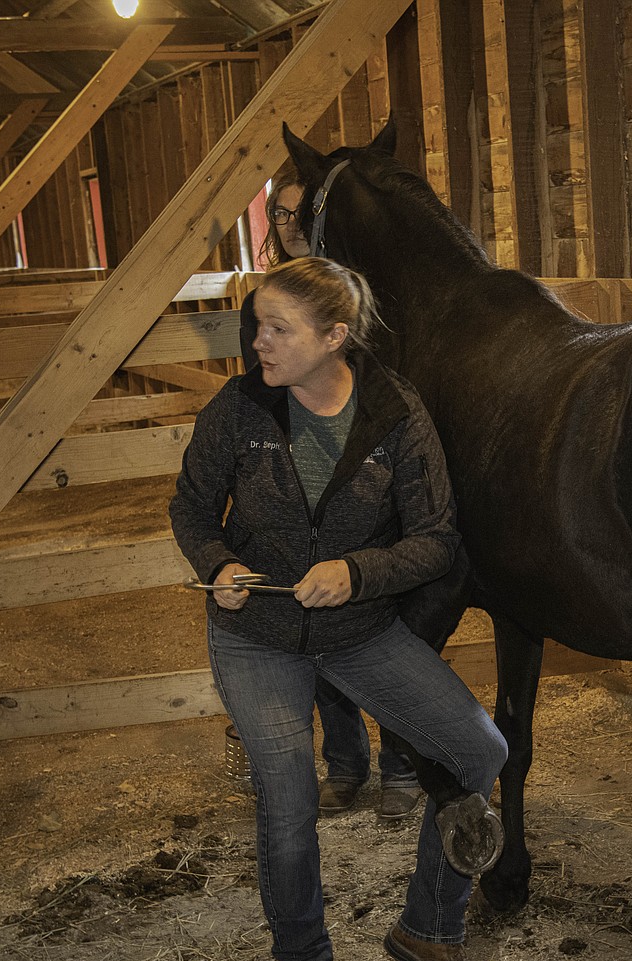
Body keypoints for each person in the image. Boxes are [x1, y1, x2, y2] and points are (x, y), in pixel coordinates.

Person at [171, 256, 508, 961]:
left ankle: (430, 927)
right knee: (289, 803)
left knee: (477, 749)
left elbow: (435, 540)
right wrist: (218, 565)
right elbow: (191, 506)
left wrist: (358, 573)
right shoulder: (242, 405)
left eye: (276, 328)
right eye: (257, 323)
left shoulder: (395, 415)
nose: (258, 341)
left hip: (359, 630)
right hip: (258, 633)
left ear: (334, 336)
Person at [247, 176, 424, 821]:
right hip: (300, 462)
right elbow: (260, 378)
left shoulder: (352, 295)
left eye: (301, 211)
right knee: (313, 631)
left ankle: (401, 766)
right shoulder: (270, 300)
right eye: (282, 212)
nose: (291, 221)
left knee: (384, 628)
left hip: (364, 467)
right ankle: (347, 765)